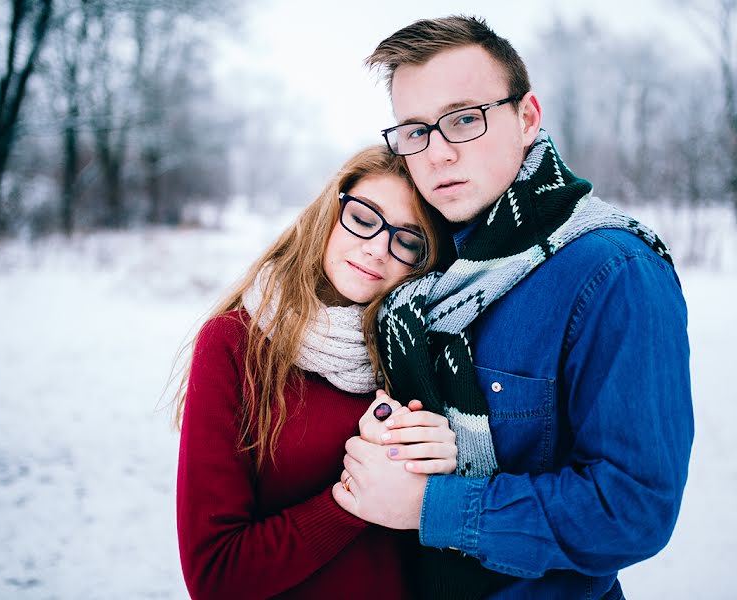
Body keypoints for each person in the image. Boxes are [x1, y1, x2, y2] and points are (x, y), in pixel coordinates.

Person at [332, 16, 694, 600]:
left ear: (527, 118)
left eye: (464, 120)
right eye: (415, 130)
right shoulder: (418, 265)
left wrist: (433, 506)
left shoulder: (611, 273)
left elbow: (633, 509)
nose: (438, 154)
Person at [174, 145, 457, 599]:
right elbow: (215, 573)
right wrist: (356, 496)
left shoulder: (417, 353)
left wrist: (450, 466)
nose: (377, 249)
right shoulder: (234, 344)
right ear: (332, 210)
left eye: (407, 240)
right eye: (365, 219)